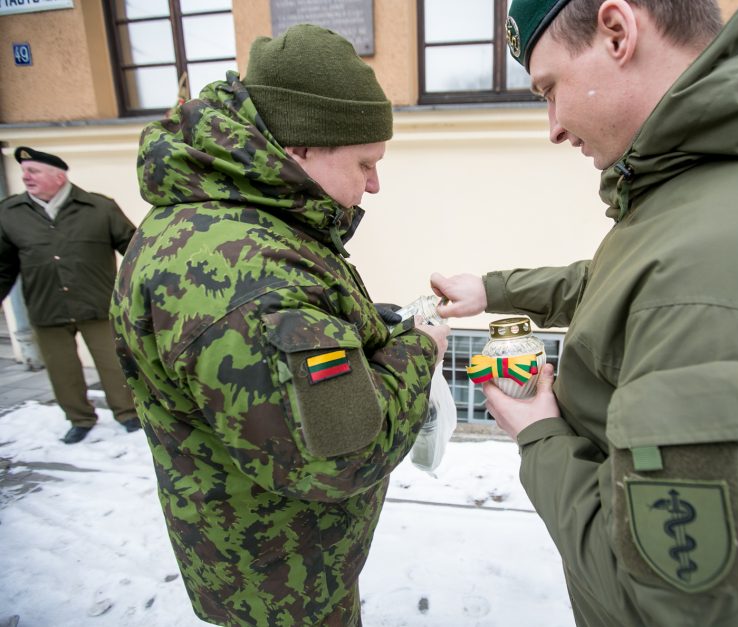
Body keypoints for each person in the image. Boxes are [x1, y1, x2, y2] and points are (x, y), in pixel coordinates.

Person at [431, 0, 738, 625]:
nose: (553, 126)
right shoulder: (712, 186)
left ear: (617, 31)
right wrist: (495, 289)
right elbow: (620, 283)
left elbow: (669, 609)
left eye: (549, 88)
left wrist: (539, 433)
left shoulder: (728, 267)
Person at [110, 24, 449, 627]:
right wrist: (421, 350)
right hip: (280, 584)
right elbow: (342, 455)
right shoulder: (254, 284)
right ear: (301, 150)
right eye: (365, 163)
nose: (375, 183)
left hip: (266, 558)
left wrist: (373, 329)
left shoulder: (228, 217)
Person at [0, 147, 140, 444]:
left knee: (115, 364)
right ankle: (79, 418)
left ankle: (128, 413)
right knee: (62, 371)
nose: (25, 177)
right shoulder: (9, 214)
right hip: (46, 307)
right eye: (24, 172)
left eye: (33, 171)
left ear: (59, 176)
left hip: (98, 304)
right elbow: (3, 266)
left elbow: (135, 252)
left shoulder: (100, 208)